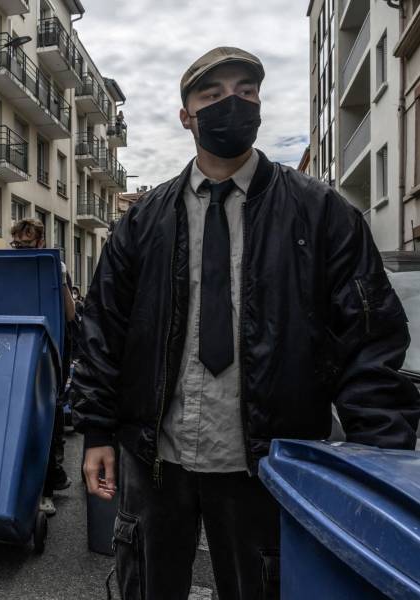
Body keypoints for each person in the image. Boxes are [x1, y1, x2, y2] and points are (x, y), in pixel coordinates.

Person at [73, 47, 420, 600]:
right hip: (157, 458)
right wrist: (95, 429)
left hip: (264, 462)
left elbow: (370, 337)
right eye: (212, 96)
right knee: (146, 586)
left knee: (260, 587)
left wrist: (378, 459)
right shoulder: (143, 220)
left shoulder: (321, 213)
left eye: (245, 91)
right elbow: (104, 327)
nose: (231, 104)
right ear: (186, 116)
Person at [10, 219, 76, 516]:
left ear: (40, 242)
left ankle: (47, 486)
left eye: (27, 243)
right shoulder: (8, 267)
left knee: (46, 418)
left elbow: (70, 314)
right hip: (21, 349)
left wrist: (60, 280)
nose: (22, 249)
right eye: (17, 244)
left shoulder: (55, 268)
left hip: (48, 350)